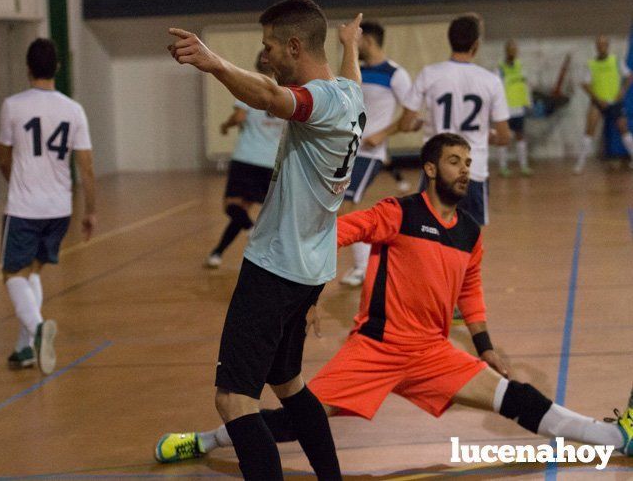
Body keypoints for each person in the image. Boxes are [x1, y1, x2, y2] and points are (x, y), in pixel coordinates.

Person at [153, 134, 633, 469]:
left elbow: (470, 292)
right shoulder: (396, 213)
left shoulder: (469, 231)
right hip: (376, 348)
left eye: (468, 162)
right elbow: (338, 232)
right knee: (298, 420)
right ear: (429, 168)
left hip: (432, 352)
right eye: (453, 161)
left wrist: (485, 346)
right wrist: (308, 291)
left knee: (515, 397)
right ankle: (203, 441)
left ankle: (613, 437)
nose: (464, 169)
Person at [166, 0, 366, 480]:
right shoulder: (350, 95)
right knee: (288, 381)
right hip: (311, 269)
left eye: (269, 47)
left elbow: (271, 99)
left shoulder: (314, 100)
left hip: (276, 267)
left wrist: (213, 61)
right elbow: (351, 76)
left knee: (234, 400)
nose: (267, 57)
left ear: (295, 46)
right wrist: (350, 46)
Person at [0, 38, 96, 375]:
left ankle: (37, 330)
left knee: (13, 274)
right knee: (33, 270)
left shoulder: (12, 105)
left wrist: (17, 184)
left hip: (25, 206)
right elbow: (86, 168)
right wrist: (90, 212)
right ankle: (24, 348)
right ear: (57, 67)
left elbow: (3, 157)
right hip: (59, 208)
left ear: (27, 68)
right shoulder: (73, 109)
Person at [400, 14, 511, 227]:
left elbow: (406, 123)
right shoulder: (491, 81)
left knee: (428, 236)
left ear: (449, 40)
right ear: (476, 45)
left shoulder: (429, 74)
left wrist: (423, 123)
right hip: (472, 171)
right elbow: (504, 137)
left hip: (436, 170)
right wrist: (487, 136)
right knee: (468, 239)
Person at [339, 21, 413, 288]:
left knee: (346, 206)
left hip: (369, 153)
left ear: (367, 40)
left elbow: (411, 114)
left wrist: (382, 134)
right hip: (345, 149)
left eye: (356, 40)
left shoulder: (395, 74)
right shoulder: (355, 70)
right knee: (339, 206)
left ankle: (362, 267)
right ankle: (365, 263)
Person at [205, 53, 285, 268]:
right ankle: (217, 253)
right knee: (242, 209)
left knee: (231, 206)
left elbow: (240, 117)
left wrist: (225, 125)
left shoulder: (249, 85)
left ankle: (251, 231)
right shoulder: (283, 90)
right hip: (271, 161)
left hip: (247, 157)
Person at [574, 35, 633, 174]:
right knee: (589, 130)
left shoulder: (615, 60)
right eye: (599, 45)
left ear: (608, 46)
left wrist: (622, 91)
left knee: (623, 128)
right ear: (596, 47)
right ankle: (580, 164)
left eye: (604, 44)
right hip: (598, 102)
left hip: (615, 101)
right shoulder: (591, 64)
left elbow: (630, 76)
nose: (602, 47)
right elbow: (585, 84)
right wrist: (597, 98)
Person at [496, 39, 533, 177]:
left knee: (520, 136)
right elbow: (496, 89)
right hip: (505, 109)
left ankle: (524, 166)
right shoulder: (500, 68)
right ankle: (503, 167)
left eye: (515, 49)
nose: (513, 52)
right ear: (506, 51)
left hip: (519, 107)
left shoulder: (520, 66)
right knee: (504, 138)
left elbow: (526, 85)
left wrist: (529, 102)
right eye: (511, 49)